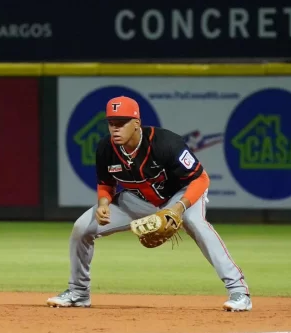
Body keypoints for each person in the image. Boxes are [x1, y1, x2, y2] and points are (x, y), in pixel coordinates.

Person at [47, 96, 252, 311]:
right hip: (137, 201)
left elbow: (201, 179)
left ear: (136, 123)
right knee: (82, 227)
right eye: (111, 123)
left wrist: (178, 208)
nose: (115, 129)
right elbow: (105, 184)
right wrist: (103, 203)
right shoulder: (105, 149)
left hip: (179, 197)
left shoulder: (166, 143)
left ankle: (239, 291)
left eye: (122, 123)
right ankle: (79, 292)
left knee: (196, 224)